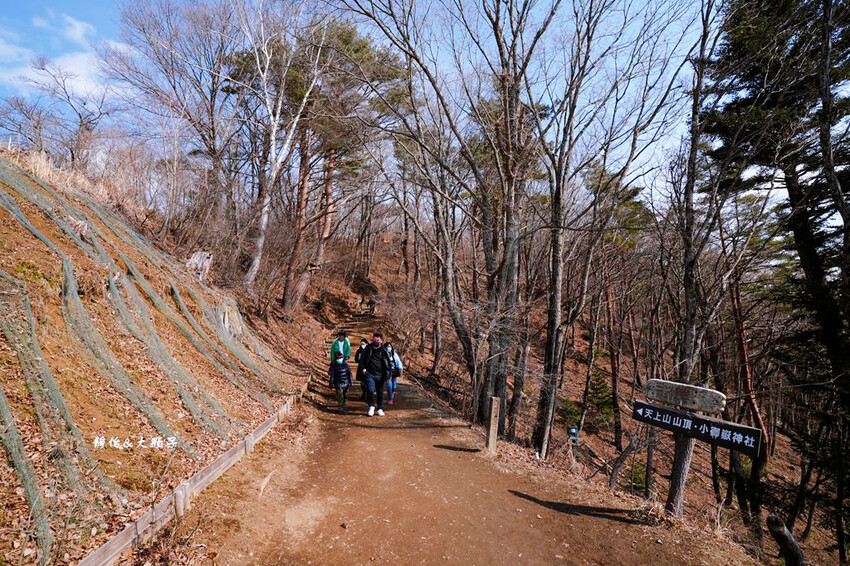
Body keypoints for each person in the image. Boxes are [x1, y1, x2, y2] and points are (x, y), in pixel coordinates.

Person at [358, 332, 392, 416]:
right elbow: (362, 359)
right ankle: (371, 406)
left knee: (380, 391)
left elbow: (388, 364)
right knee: (370, 390)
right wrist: (363, 369)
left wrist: (388, 375)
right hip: (369, 373)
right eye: (374, 339)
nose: (376, 341)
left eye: (378, 340)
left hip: (381, 375)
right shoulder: (368, 348)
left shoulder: (384, 350)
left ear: (381, 341)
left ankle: (380, 408)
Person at [384, 340, 403, 406]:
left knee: (394, 386)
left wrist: (401, 371)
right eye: (387, 347)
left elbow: (398, 363)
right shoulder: (383, 354)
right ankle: (390, 399)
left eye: (390, 346)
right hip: (387, 373)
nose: (389, 348)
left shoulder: (394, 354)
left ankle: (391, 394)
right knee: (389, 386)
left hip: (394, 372)